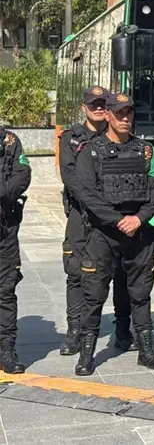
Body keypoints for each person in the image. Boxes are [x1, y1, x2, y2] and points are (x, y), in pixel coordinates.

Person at [73, 93, 154, 376]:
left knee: (141, 293)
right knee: (94, 294)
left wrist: (138, 218)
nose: (125, 118)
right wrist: (117, 220)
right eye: (119, 113)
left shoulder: (146, 151)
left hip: (138, 232)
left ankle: (146, 349)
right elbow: (86, 193)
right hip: (104, 233)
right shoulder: (90, 151)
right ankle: (87, 354)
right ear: (108, 115)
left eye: (129, 113)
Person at [58, 86, 135, 356]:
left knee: (122, 275)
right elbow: (72, 180)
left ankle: (123, 329)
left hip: (111, 219)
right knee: (77, 273)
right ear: (84, 108)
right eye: (94, 105)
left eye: (104, 104)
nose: (100, 109)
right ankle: (75, 332)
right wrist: (97, 204)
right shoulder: (71, 138)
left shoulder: (119, 137)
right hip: (82, 216)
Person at [0, 127, 31, 374]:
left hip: (5, 231)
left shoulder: (9, 140)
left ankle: (6, 350)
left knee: (6, 291)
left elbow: (23, 175)